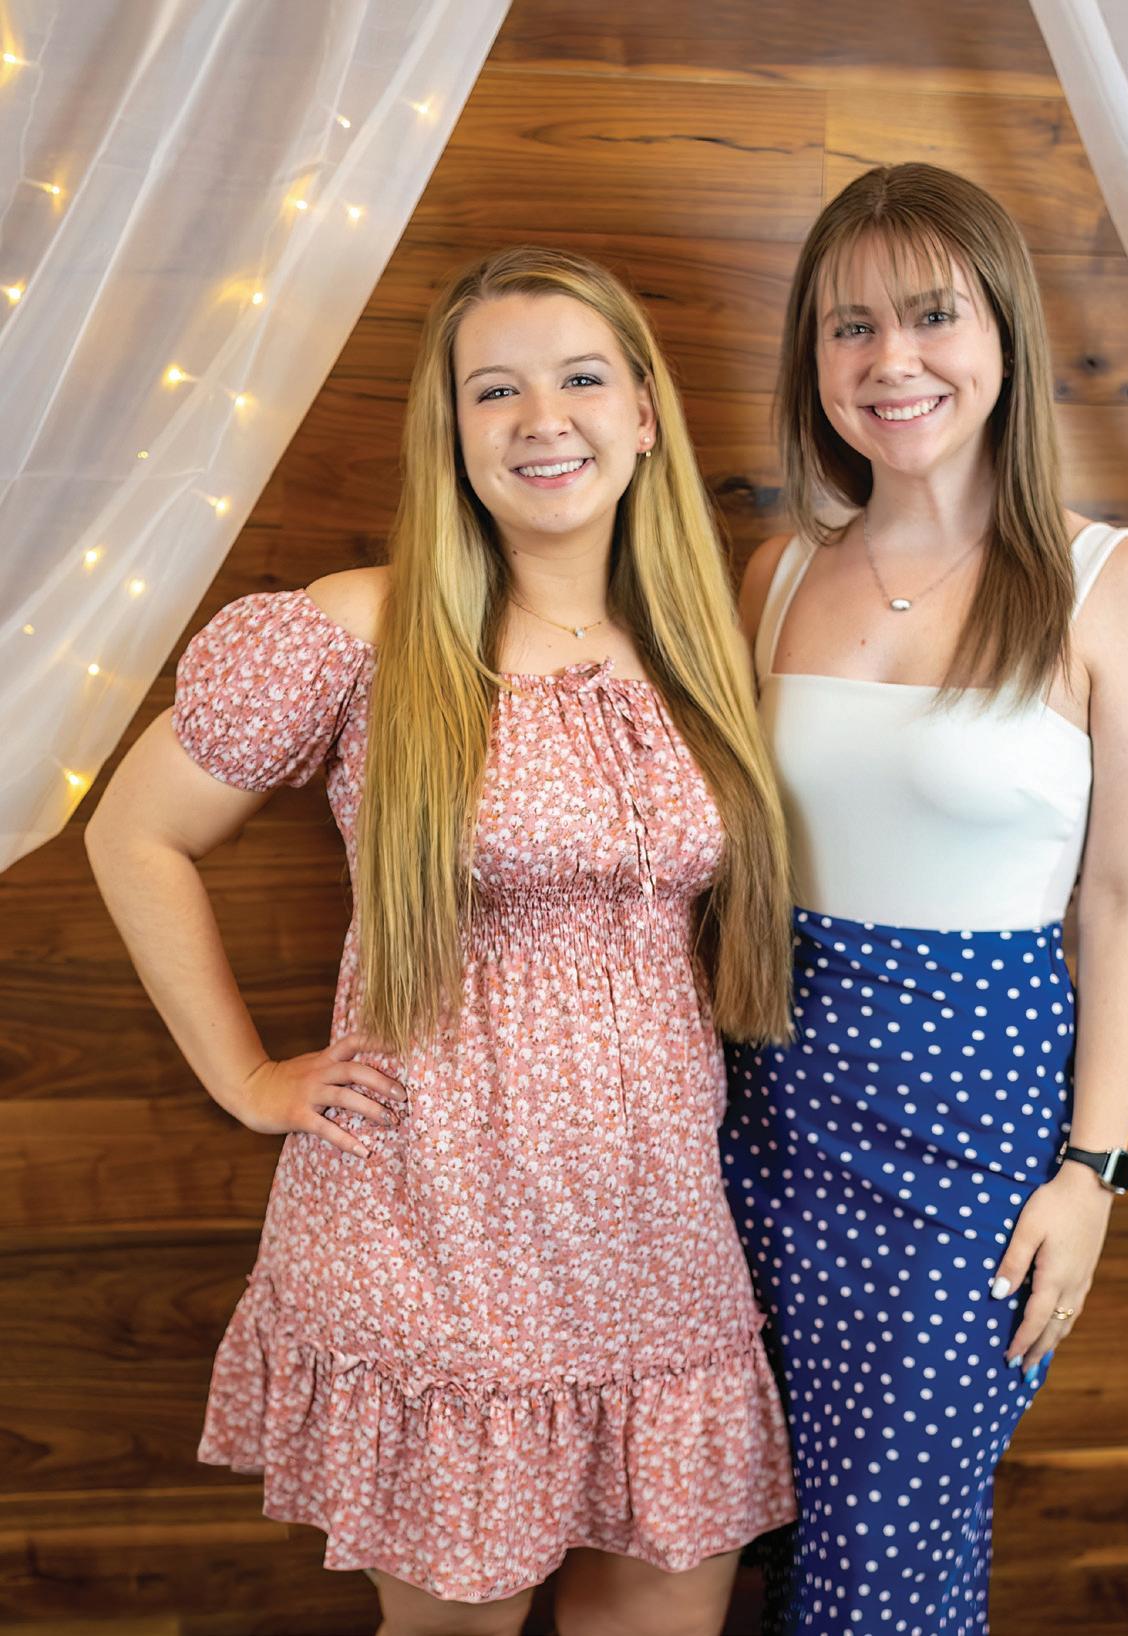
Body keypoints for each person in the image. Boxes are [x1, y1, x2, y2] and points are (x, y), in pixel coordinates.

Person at [85, 246, 799, 1636]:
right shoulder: (366, 626)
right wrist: (247, 1078)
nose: (543, 420)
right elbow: (134, 834)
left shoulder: (702, 643)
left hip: (658, 1238)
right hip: (435, 1232)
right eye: (495, 390)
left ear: (644, 414)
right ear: (452, 432)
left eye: (580, 378)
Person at [719, 163, 1128, 1635]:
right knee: (744, 1537)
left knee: (878, 1566)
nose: (893, 360)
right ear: (813, 359)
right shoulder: (774, 571)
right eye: (849, 326)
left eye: (932, 315)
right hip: (756, 1121)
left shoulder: (1115, 582)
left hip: (970, 1152)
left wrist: (1092, 1176)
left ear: (1003, 330)